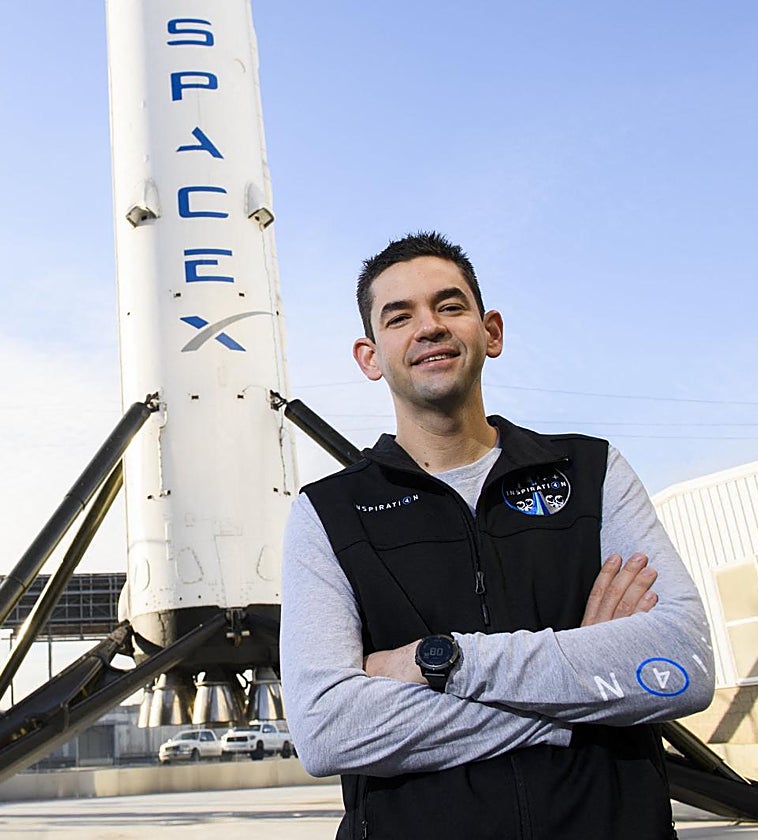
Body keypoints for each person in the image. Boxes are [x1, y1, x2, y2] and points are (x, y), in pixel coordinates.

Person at [279, 231, 715, 840]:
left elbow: (681, 664)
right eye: (399, 317)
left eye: (449, 306)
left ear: (492, 333)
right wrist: (582, 687)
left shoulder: (591, 472)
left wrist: (442, 661)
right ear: (370, 357)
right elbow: (327, 729)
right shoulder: (328, 513)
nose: (428, 327)